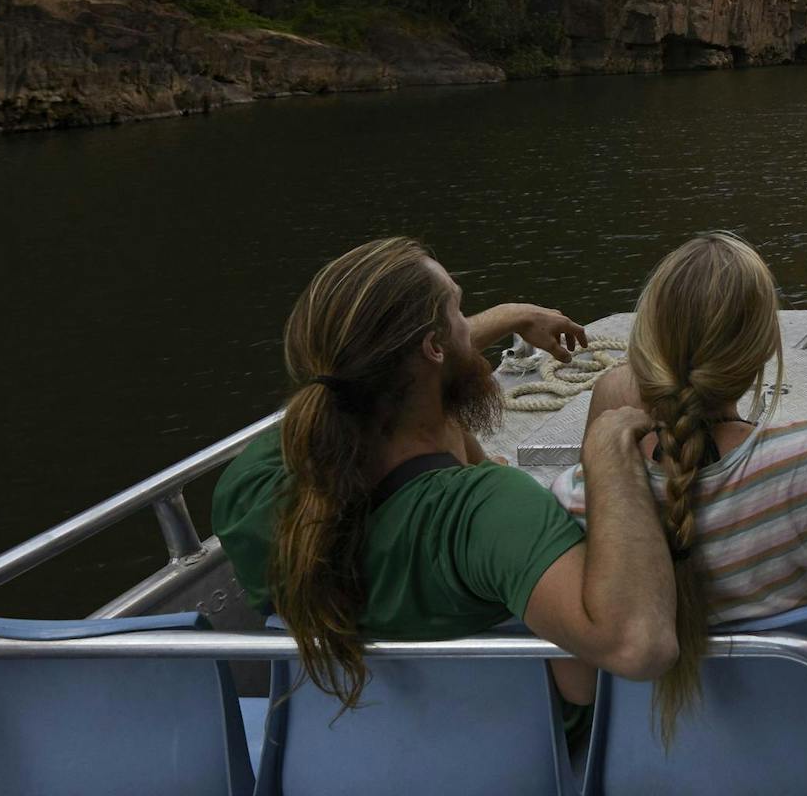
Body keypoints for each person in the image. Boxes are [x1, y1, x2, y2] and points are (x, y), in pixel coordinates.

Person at [212, 237, 678, 725]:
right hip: (518, 755)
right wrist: (607, 453)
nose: (469, 325)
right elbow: (638, 647)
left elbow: (377, 366)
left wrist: (511, 316)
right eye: (459, 310)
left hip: (346, 758)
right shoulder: (486, 514)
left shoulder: (248, 491)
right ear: (433, 348)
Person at [574, 231, 807, 783]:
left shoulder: (583, 496)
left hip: (649, 770)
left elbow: (584, 682)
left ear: (644, 350)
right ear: (760, 353)